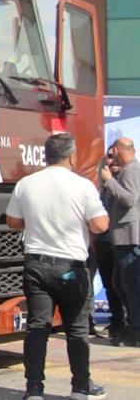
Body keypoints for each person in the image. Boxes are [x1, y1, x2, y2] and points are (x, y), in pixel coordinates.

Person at [6, 133, 109, 400]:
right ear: (72, 156)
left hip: (36, 264)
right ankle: (80, 387)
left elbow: (13, 222)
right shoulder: (83, 186)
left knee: (38, 327)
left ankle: (34, 389)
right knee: (76, 329)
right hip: (71, 267)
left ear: (45, 156)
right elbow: (100, 225)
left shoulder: (26, 183)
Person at [99, 136, 140, 347]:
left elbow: (131, 200)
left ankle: (135, 331)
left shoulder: (132, 170)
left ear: (119, 150)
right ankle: (133, 325)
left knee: (131, 286)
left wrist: (110, 181)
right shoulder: (128, 170)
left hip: (129, 237)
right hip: (123, 238)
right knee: (119, 284)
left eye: (113, 153)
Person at [95, 144, 128, 344]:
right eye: (109, 157)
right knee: (109, 285)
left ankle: (130, 323)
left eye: (116, 157)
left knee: (123, 285)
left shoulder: (128, 181)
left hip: (123, 241)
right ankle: (117, 321)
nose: (112, 161)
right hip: (104, 241)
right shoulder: (103, 185)